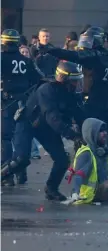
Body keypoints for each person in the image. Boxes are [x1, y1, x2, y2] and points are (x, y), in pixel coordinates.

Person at [1, 61, 85, 201]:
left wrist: (90, 132)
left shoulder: (71, 94)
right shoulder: (46, 89)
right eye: (74, 81)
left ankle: (51, 189)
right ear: (64, 80)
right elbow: (52, 117)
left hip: (46, 128)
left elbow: (81, 115)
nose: (77, 85)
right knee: (21, 159)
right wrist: (72, 135)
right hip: (28, 123)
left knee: (62, 160)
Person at [42, 27, 108, 155]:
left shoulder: (95, 56)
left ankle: (85, 155)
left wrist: (52, 50)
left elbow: (73, 55)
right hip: (106, 100)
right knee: (102, 131)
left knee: (87, 132)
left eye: (88, 41)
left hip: (91, 100)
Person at [1, 29, 43, 186]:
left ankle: (6, 175)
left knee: (5, 138)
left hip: (7, 103)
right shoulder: (26, 60)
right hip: (23, 103)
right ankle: (21, 172)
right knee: (20, 139)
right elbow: (39, 79)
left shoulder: (1, 58)